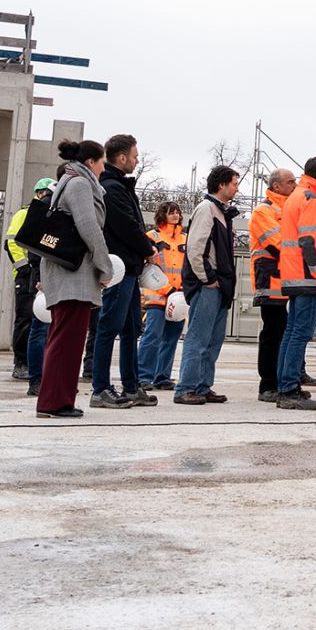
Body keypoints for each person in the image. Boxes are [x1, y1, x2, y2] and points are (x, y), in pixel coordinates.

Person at [34, 139, 113, 419]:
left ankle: (58, 400)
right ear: (91, 162)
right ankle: (55, 402)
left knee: (64, 340)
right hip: (73, 275)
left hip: (66, 273)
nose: (104, 169)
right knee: (67, 342)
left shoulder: (69, 181)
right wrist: (105, 266)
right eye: (102, 163)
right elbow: (88, 226)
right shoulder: (80, 183)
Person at [91, 134, 158, 409]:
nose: (137, 160)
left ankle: (131, 386)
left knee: (131, 328)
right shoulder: (112, 187)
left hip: (129, 267)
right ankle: (100, 389)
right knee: (109, 327)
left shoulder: (120, 185)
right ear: (122, 158)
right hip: (119, 268)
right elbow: (127, 227)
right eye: (134, 156)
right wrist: (148, 249)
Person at [174, 166, 241, 405]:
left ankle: (202, 386)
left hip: (220, 286)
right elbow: (195, 249)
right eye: (234, 183)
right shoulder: (206, 210)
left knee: (213, 340)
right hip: (208, 286)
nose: (237, 187)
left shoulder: (222, 213)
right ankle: (186, 387)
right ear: (221, 184)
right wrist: (208, 279)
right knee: (198, 338)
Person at [275, 156, 316, 410]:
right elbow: (310, 241)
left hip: (293, 275)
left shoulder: (296, 196)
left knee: (291, 334)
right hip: (308, 278)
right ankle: (289, 390)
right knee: (299, 334)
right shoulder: (311, 199)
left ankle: (286, 386)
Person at [249, 167, 295, 402]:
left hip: (289, 277)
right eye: (290, 182)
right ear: (276, 186)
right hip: (271, 277)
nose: (294, 185)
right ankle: (267, 384)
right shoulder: (263, 211)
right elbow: (275, 243)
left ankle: (284, 380)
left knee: (285, 330)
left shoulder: (290, 209)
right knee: (273, 330)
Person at [3, 177, 55, 381]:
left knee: (39, 321)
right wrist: (24, 269)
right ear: (41, 193)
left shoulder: (45, 214)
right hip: (27, 276)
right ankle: (21, 363)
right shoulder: (25, 213)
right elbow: (11, 242)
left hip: (36, 274)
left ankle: (35, 363)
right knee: (25, 320)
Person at [136, 202, 186, 391]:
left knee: (171, 338)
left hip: (179, 297)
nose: (175, 215)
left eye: (177, 212)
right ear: (162, 215)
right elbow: (148, 269)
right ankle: (143, 376)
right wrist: (168, 289)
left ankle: (162, 377)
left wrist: (182, 291)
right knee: (152, 336)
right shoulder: (152, 237)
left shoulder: (185, 239)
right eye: (171, 212)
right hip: (157, 295)